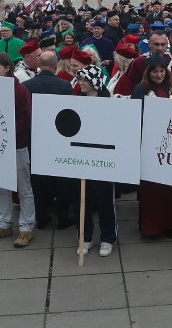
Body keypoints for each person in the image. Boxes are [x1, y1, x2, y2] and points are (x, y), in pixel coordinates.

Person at [131, 54, 172, 238]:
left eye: (162, 70)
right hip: (150, 145)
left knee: (171, 188)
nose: (159, 74)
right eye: (155, 71)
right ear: (148, 72)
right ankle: (151, 226)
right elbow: (135, 116)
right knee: (152, 189)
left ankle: (170, 224)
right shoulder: (140, 90)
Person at [0, 53, 35, 247]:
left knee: (24, 189)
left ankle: (27, 227)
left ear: (7, 68)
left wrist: (6, 133)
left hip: (16, 146)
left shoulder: (20, 91)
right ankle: (4, 223)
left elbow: (25, 119)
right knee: (1, 187)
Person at [23, 51, 74, 229]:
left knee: (37, 179)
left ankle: (41, 217)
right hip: (58, 139)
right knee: (62, 180)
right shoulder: (65, 86)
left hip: (34, 138)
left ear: (39, 65)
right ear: (55, 66)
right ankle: (62, 218)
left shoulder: (26, 85)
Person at [73, 65, 118, 257]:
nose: (80, 83)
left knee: (105, 200)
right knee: (81, 198)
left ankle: (108, 238)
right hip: (81, 160)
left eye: (84, 80)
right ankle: (85, 237)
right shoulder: (76, 102)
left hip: (102, 160)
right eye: (80, 79)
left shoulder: (108, 102)